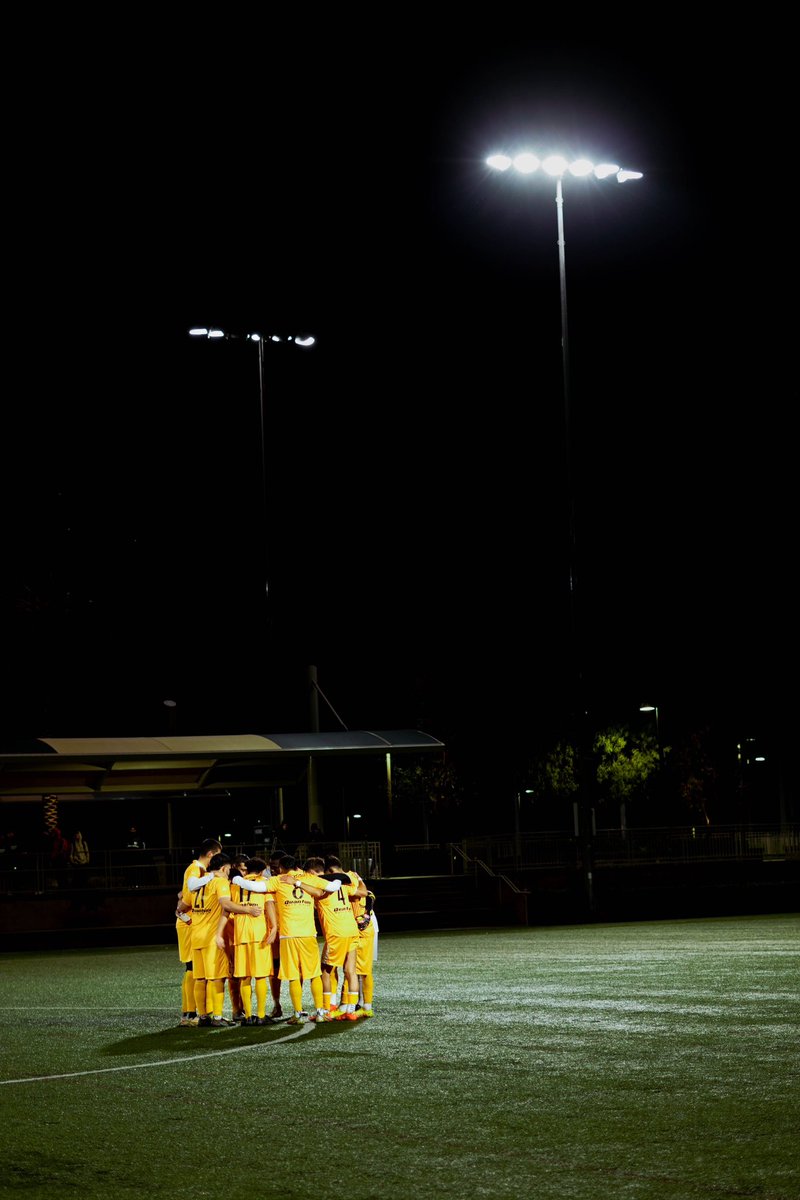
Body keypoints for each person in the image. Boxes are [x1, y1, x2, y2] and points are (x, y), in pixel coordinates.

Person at [234, 853, 337, 1025]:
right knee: (314, 974)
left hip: (288, 934)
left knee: (293, 976)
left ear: (281, 868)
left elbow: (257, 887)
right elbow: (334, 886)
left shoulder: (278, 879)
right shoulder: (309, 878)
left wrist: (237, 880)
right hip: (308, 933)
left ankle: (298, 1013)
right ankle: (321, 1011)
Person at [185, 852, 261, 1027]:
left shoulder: (198, 884)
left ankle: (203, 1016)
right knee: (217, 978)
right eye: (228, 870)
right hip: (212, 937)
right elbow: (226, 905)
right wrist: (248, 909)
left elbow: (183, 904)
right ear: (224, 868)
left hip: (196, 936)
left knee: (200, 978)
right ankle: (217, 1017)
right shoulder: (220, 882)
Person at [289, 858, 367, 1019]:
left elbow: (313, 892)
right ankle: (350, 1010)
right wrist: (358, 878)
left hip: (336, 933)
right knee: (350, 970)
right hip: (351, 930)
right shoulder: (343, 884)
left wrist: (297, 882)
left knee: (325, 971)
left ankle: (327, 1009)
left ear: (310, 873)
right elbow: (363, 893)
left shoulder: (318, 884)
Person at [174, 838, 221, 1026]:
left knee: (193, 968)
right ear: (211, 854)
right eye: (217, 856)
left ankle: (191, 1012)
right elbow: (190, 891)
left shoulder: (197, 870)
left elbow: (184, 894)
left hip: (193, 923)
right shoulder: (196, 870)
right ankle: (190, 1012)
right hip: (190, 923)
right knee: (193, 968)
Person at [225, 856, 276, 1025]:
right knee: (260, 977)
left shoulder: (235, 885)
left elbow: (228, 907)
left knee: (245, 977)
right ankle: (260, 1015)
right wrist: (274, 927)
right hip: (259, 934)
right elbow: (269, 906)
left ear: (247, 870)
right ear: (261, 871)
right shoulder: (263, 883)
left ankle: (247, 1016)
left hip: (240, 935)